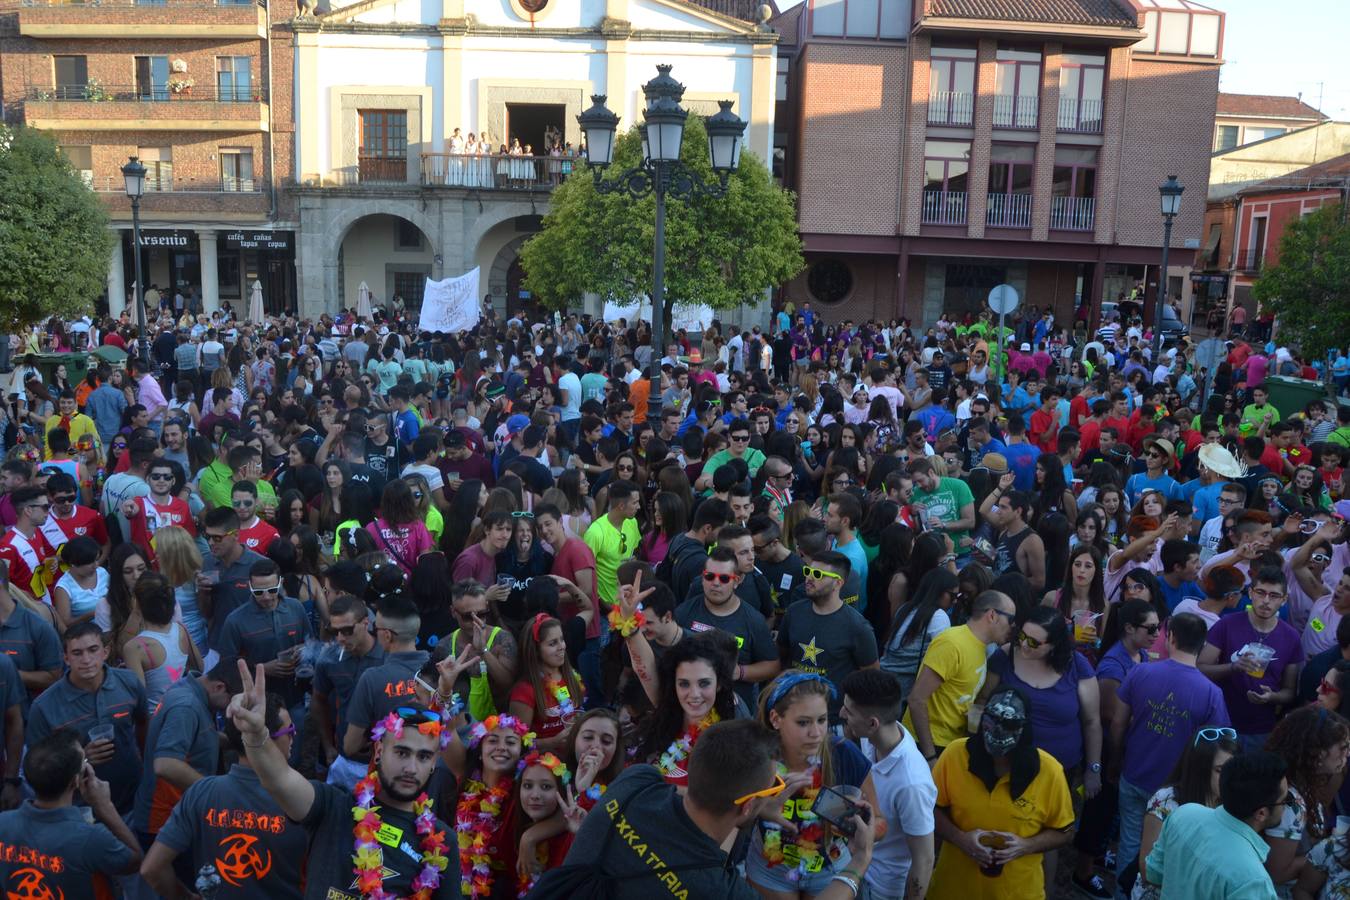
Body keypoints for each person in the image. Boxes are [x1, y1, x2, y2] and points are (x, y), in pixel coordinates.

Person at [538, 718, 875, 900]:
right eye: (775, 784)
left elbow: (705, 791)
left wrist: (753, 806)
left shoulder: (634, 783)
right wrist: (859, 861)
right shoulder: (716, 889)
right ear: (746, 806)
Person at [225, 661, 459, 898]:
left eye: (424, 756)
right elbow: (278, 779)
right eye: (401, 752)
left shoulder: (441, 842)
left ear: (432, 764)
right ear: (378, 752)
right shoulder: (332, 806)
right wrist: (255, 735)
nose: (411, 767)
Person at [141, 692, 309, 900]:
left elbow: (151, 869)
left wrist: (186, 897)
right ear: (264, 739)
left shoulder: (200, 792)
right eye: (289, 730)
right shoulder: (307, 801)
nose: (294, 735)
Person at [1110, 612, 1231, 887]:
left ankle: (1123, 892)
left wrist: (1114, 762)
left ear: (1171, 638)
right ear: (1202, 645)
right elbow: (1216, 749)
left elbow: (1118, 724)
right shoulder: (1211, 693)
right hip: (1177, 790)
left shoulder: (1140, 672)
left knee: (1130, 841)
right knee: (1166, 852)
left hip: (1134, 773)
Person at [928, 687, 1075, 900]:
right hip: (952, 890)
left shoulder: (1049, 771)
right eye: (992, 719)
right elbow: (930, 810)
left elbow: (1065, 831)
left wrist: (1025, 846)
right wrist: (961, 839)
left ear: (1024, 728)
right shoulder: (955, 755)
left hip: (1018, 892)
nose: (998, 730)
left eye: (1010, 724)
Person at [0, 729, 143, 897]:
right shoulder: (90, 838)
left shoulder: (4, 822)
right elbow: (135, 860)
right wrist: (104, 805)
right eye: (84, 761)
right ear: (76, 780)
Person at [26, 621, 149, 816]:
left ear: (106, 652)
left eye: (93, 650)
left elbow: (144, 725)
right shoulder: (44, 707)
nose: (86, 659)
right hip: (80, 811)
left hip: (134, 802)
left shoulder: (129, 683)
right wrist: (80, 759)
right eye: (77, 653)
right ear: (66, 658)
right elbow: (37, 768)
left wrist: (146, 768)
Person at [840, 668, 937, 900]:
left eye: (849, 711)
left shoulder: (912, 783)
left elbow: (924, 859)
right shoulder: (870, 738)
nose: (842, 713)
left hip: (879, 889)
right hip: (853, 866)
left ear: (873, 723)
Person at [1141, 750, 1285, 899]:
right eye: (1285, 801)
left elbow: (1153, 874)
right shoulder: (1253, 881)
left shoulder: (1184, 814)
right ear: (1261, 813)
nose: (1286, 808)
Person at [904, 590, 1018, 765]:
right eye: (1011, 620)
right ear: (993, 615)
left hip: (951, 744)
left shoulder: (980, 647)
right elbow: (916, 699)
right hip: (928, 745)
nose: (1013, 626)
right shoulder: (952, 643)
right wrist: (930, 757)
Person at [1198, 566, 1304, 750]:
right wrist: (1233, 667)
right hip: (1221, 722)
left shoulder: (1291, 637)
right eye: (1261, 593)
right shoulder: (1227, 624)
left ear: (1284, 599)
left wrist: (1272, 697)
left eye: (1274, 596)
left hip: (1261, 729)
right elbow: (1200, 668)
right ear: (1250, 593)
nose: (1266, 601)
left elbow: (1289, 691)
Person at [1131, 726, 1240, 900]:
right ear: (1199, 768)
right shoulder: (1166, 802)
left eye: (1233, 769)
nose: (1230, 777)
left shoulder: (1232, 804)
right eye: (1220, 770)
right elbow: (1146, 869)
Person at [776, 550, 878, 720]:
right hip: (791, 710)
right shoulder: (794, 612)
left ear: (838, 583)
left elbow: (870, 679)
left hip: (832, 718)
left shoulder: (857, 627)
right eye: (808, 571)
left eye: (817, 574)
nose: (809, 578)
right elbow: (781, 655)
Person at [674, 546, 779, 709]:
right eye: (709, 576)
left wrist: (739, 672)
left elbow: (772, 666)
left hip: (733, 712)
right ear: (702, 578)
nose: (715, 583)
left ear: (736, 581)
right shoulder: (683, 612)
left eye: (724, 578)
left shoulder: (753, 620)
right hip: (690, 707)